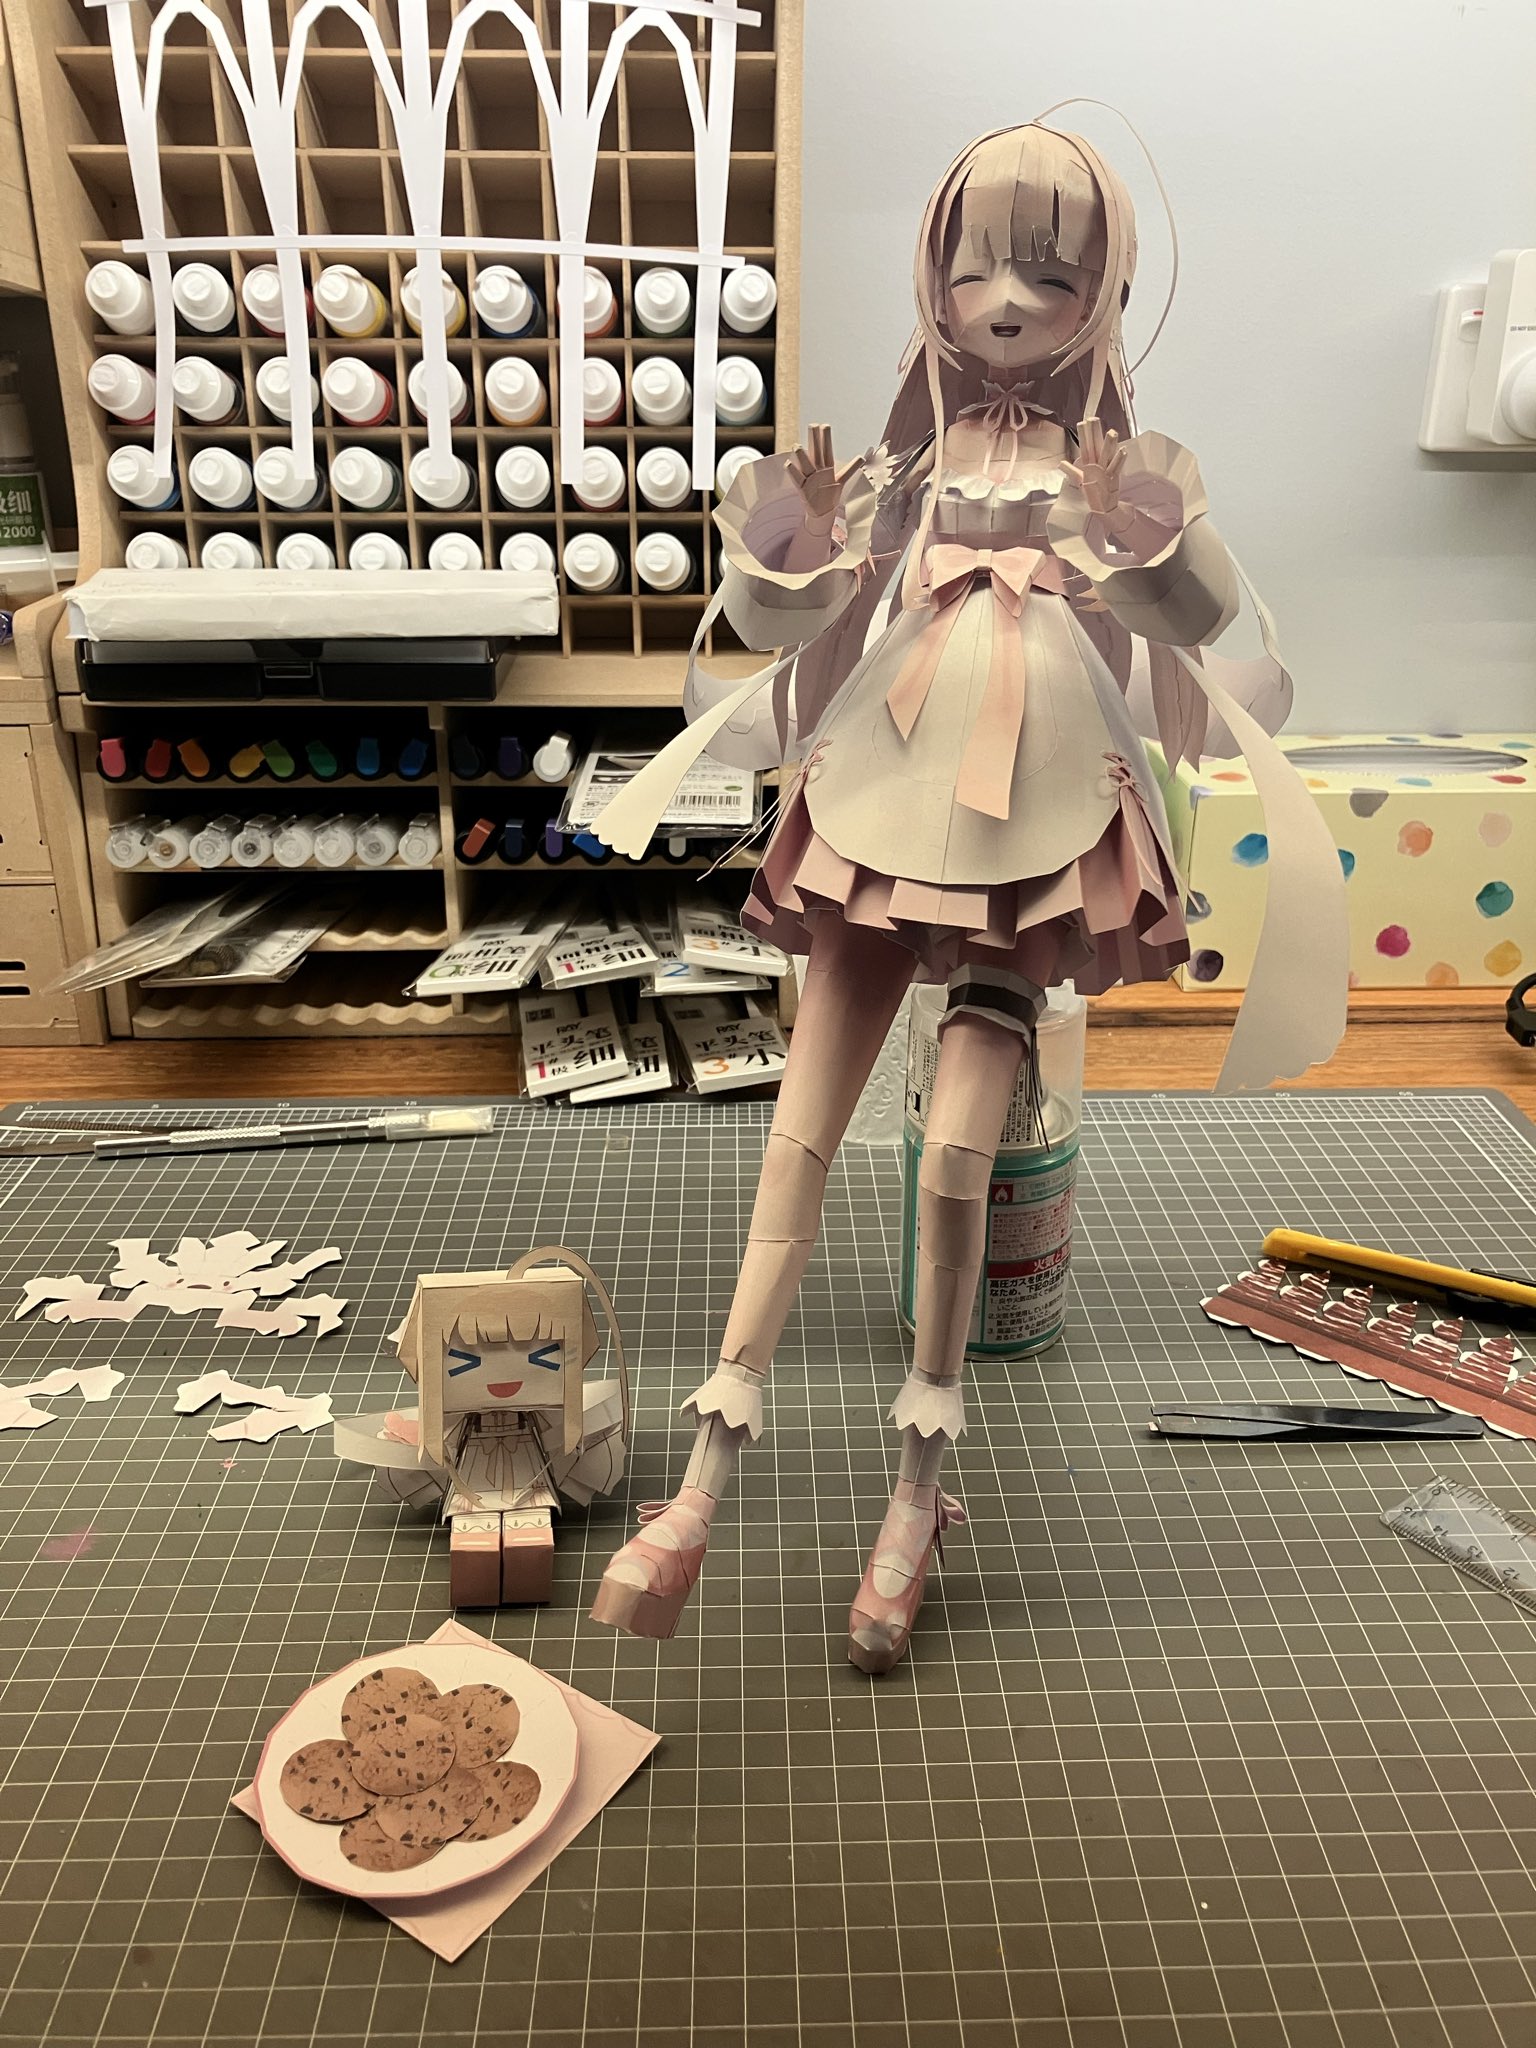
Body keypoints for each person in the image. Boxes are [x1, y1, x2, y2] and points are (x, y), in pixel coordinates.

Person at [590, 121, 1346, 1672]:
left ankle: (918, 1489)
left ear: (1103, 290)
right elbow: (777, 616)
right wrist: (790, 544)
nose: (1004, 302)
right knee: (795, 1142)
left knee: (953, 1166)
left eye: (1049, 274)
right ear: (933, 278)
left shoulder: (1127, 466)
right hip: (887, 782)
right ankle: (702, 1477)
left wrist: (1138, 537)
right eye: (975, 265)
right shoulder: (913, 462)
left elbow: (1199, 616)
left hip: (1043, 809)